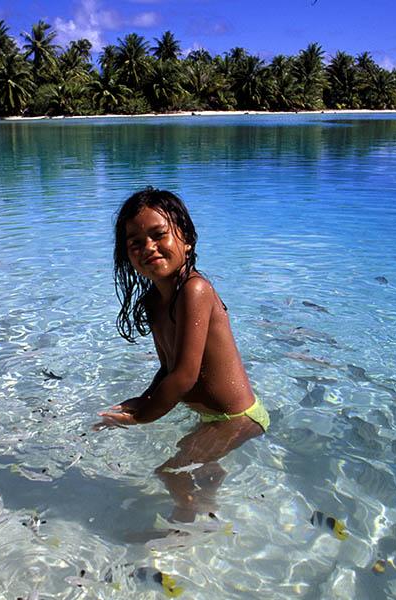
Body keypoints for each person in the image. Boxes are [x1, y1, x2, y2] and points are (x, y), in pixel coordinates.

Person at [97, 187, 269, 522]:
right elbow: (168, 368)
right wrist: (143, 399)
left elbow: (185, 376)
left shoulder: (196, 290)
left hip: (238, 417)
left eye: (159, 235)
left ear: (186, 239)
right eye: (135, 242)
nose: (148, 247)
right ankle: (210, 487)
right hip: (213, 416)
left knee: (171, 472)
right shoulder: (153, 302)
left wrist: (144, 416)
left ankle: (187, 526)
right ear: (126, 255)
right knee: (190, 459)